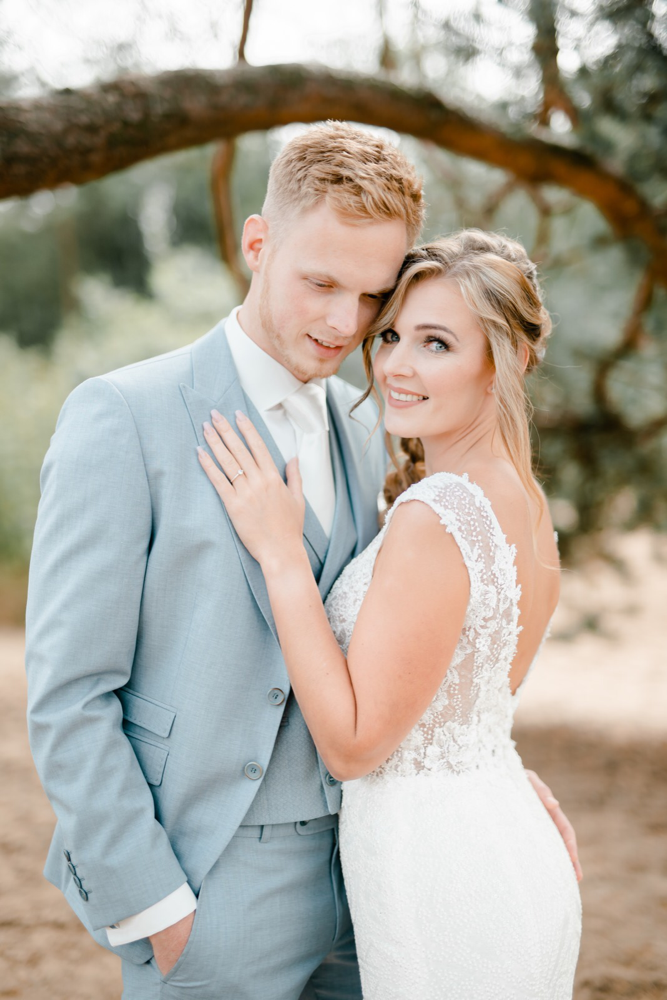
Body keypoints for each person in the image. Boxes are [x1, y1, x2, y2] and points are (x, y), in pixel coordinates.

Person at [25, 121, 579, 1000]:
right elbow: (68, 694)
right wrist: (159, 910)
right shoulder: (124, 417)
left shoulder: (371, 430)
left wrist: (479, 775)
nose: (343, 324)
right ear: (258, 243)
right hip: (214, 892)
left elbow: (412, 647)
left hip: (382, 886)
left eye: (371, 299)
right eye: (319, 282)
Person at [197, 230, 582, 999]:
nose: (394, 365)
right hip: (495, 832)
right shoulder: (525, 503)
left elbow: (350, 745)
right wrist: (495, 779)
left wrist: (281, 555)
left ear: (501, 360)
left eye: (435, 343)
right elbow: (465, 707)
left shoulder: (436, 515)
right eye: (392, 336)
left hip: (438, 876)